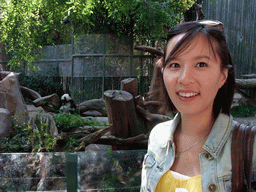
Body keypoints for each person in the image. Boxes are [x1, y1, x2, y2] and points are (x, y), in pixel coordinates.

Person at [140, 20, 256, 192]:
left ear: (223, 76)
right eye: (175, 65)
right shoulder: (158, 137)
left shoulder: (250, 147)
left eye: (201, 64)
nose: (185, 79)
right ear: (163, 73)